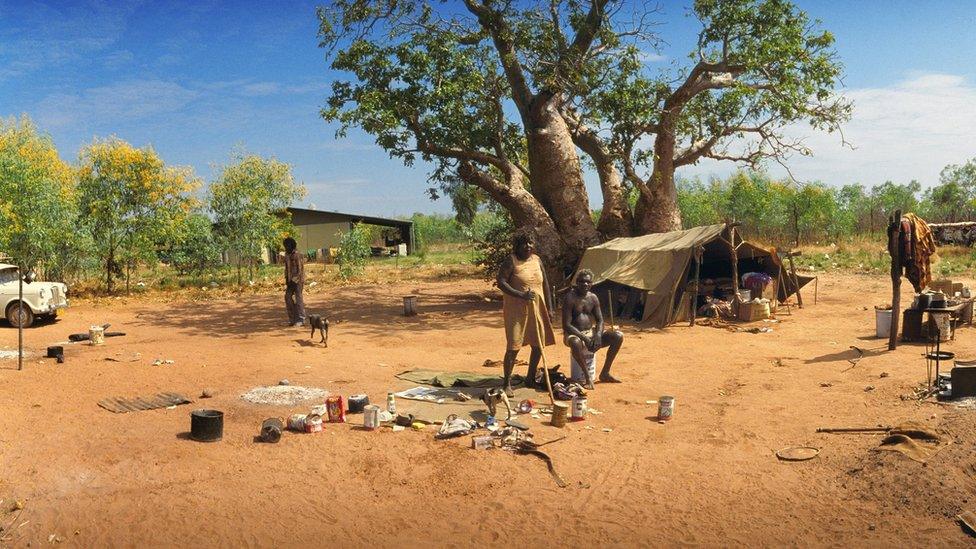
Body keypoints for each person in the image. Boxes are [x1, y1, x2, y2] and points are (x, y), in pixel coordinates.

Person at [496, 231, 555, 397]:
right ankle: (506, 383)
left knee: (538, 344)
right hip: (516, 310)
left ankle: (530, 378)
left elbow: (546, 285)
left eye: (530, 243)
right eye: (524, 243)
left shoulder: (537, 260)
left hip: (537, 308)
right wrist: (520, 294)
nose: (528, 246)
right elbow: (501, 282)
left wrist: (550, 308)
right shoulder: (511, 261)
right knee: (514, 346)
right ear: (517, 245)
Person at [562, 269, 623, 389]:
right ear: (577, 282)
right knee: (575, 342)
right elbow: (566, 325)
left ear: (591, 283)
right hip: (574, 334)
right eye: (582, 282)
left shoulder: (593, 298)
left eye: (588, 282)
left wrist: (598, 335)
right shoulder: (570, 298)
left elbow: (600, 320)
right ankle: (587, 377)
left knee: (618, 336)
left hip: (591, 333)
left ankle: (605, 373)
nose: (585, 284)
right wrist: (584, 337)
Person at [282, 237, 306, 327]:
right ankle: (292, 319)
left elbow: (300, 270)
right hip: (290, 281)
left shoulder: (297, 254)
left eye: (287, 246)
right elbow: (287, 268)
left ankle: (301, 319)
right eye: (285, 246)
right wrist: (287, 280)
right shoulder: (287, 255)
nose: (286, 248)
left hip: (298, 281)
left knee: (298, 299)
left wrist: (294, 281)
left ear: (292, 246)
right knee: (287, 297)